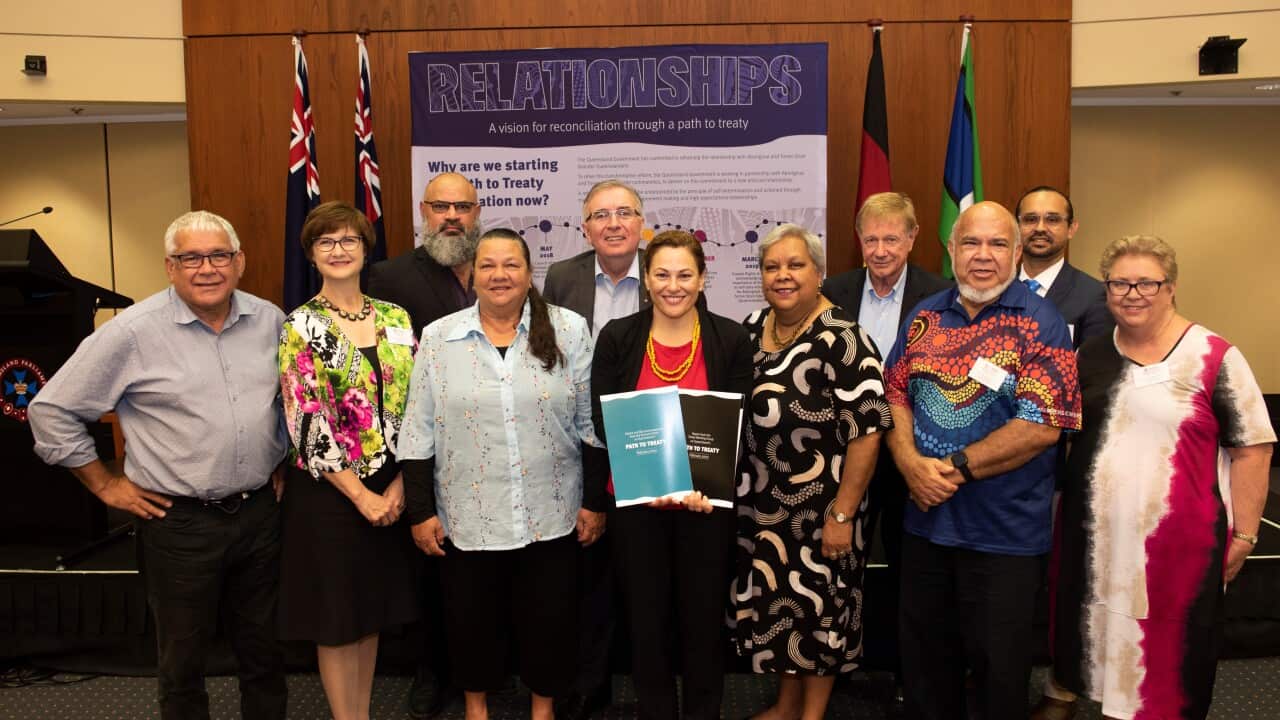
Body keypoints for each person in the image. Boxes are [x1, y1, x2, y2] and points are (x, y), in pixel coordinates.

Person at [29, 210, 288, 719]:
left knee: (265, 653)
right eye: (190, 258)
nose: (206, 268)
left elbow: (289, 401)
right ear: (170, 267)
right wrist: (105, 484)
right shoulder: (131, 333)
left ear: (240, 262)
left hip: (261, 516)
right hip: (179, 524)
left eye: (218, 255)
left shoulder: (270, 320)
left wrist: (282, 456)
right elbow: (50, 410)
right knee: (182, 661)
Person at [1036, 236, 1274, 720]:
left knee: (1170, 660)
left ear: (1171, 287)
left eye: (1147, 282)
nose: (1132, 293)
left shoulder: (1214, 357)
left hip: (1177, 547)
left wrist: (1245, 535)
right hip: (1095, 540)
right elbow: (1061, 437)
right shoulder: (1091, 355)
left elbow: (1252, 449)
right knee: (1097, 642)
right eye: (1119, 283)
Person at [881, 201, 1081, 720]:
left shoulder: (1042, 322)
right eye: (971, 243)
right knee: (926, 668)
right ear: (951, 250)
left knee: (998, 676)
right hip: (925, 528)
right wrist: (907, 462)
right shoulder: (924, 315)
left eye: (997, 245)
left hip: (1003, 537)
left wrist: (952, 469)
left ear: (1016, 253)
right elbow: (894, 391)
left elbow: (1042, 424)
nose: (984, 256)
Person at [398, 228, 608, 720]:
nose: (499, 275)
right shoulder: (439, 337)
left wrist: (595, 502)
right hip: (468, 515)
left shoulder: (569, 329)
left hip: (552, 509)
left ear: (529, 272)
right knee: (471, 623)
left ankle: (542, 708)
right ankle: (476, 708)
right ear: (471, 275)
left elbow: (590, 425)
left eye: (510, 264)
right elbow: (418, 429)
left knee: (550, 621)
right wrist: (421, 510)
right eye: (488, 265)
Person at [731, 223, 892, 720]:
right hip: (762, 506)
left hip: (824, 510)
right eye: (772, 266)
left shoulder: (845, 338)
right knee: (782, 614)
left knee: (820, 612)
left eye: (795, 265)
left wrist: (843, 515)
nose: (783, 275)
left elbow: (868, 432)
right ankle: (785, 703)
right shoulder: (753, 326)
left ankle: (811, 714)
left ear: (819, 273)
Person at [591, 230, 753, 720]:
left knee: (703, 622)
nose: (673, 285)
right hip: (637, 506)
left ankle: (704, 713)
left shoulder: (730, 337)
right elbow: (603, 419)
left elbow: (738, 420)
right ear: (647, 279)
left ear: (702, 278)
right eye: (662, 274)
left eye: (685, 274)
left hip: (706, 507)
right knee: (646, 621)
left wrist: (703, 483)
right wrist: (653, 481)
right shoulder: (618, 337)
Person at [277, 201, 421, 720]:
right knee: (337, 619)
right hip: (331, 493)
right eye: (326, 242)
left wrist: (400, 485)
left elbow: (419, 404)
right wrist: (361, 496)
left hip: (392, 485)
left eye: (349, 241)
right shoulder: (301, 325)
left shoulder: (396, 319)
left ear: (366, 249)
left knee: (370, 611)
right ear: (312, 255)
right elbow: (306, 418)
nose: (339, 250)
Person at [822, 192, 950, 710]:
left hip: (907, 453)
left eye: (891, 238)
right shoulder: (833, 291)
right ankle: (840, 665)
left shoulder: (939, 296)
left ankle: (905, 670)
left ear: (913, 237)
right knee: (839, 563)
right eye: (871, 239)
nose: (879, 250)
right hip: (844, 454)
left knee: (909, 568)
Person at [367, 171, 481, 719]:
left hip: (488, 445)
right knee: (431, 571)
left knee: (486, 572)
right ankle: (431, 674)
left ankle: (484, 670)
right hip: (422, 446)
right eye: (441, 206)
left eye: (462, 206)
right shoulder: (387, 277)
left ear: (477, 211)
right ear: (423, 211)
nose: (452, 216)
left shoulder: (499, 269)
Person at [543, 178, 651, 720]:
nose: (613, 223)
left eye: (624, 213)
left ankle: (652, 681)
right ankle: (590, 683)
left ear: (641, 223)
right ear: (585, 227)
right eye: (601, 215)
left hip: (647, 435)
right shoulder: (562, 277)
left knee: (645, 564)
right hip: (581, 440)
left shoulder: (663, 274)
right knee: (587, 571)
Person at [1015, 186, 1112, 348]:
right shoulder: (997, 289)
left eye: (1052, 220)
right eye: (1030, 219)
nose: (1040, 228)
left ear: (1071, 229)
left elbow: (1094, 369)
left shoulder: (1095, 296)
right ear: (1016, 227)